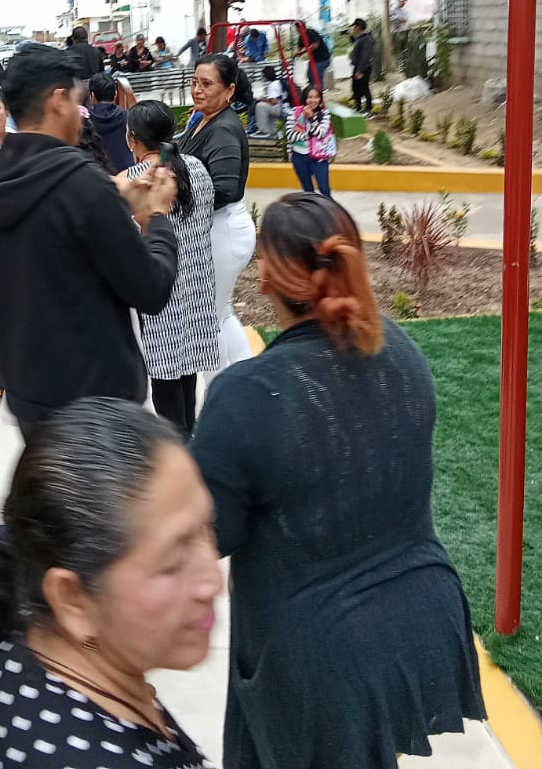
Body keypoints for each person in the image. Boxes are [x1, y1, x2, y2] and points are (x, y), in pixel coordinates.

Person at [190, 193, 486, 769]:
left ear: (266, 276)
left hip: (319, 656)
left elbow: (206, 534)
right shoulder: (401, 349)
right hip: (426, 612)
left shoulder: (246, 394)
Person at [0, 398, 222, 768]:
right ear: (72, 599)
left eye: (207, 528)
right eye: (173, 561)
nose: (213, 581)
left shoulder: (15, 645)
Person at [0, 45, 178, 438]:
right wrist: (156, 217)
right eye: (78, 100)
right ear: (58, 100)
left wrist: (113, 199)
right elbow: (151, 289)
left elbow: (50, 246)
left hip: (29, 395)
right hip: (98, 405)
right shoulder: (82, 184)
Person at [124, 102, 218, 436]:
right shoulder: (197, 168)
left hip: (162, 289)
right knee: (188, 370)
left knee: (166, 384)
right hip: (197, 285)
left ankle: (180, 450)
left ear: (132, 139)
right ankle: (190, 440)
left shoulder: (136, 180)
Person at [178, 53, 255, 368]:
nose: (197, 90)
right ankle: (242, 379)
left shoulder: (223, 129)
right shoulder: (202, 119)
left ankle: (221, 389)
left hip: (223, 230)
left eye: (206, 84)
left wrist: (177, 200)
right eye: (194, 82)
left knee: (208, 318)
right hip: (215, 228)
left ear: (229, 90)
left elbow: (224, 189)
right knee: (220, 313)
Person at [288, 84, 337, 196]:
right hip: (299, 156)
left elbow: (320, 134)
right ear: (304, 98)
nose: (313, 100)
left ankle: (328, 207)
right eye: (310, 97)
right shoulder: (295, 112)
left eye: (316, 97)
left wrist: (311, 118)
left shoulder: (324, 114)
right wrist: (308, 134)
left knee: (324, 190)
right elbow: (291, 135)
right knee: (308, 191)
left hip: (318, 157)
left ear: (320, 99)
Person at [87, 71, 134, 172]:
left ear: (92, 96)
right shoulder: (128, 117)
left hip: (100, 176)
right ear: (115, 94)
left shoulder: (85, 121)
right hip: (129, 174)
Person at [350, 17, 375, 115]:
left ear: (359, 27)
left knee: (364, 88)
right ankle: (358, 107)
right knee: (356, 88)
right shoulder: (360, 37)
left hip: (364, 68)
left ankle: (368, 110)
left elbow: (365, 56)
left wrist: (360, 71)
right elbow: (356, 45)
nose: (353, 29)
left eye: (354, 27)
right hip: (358, 67)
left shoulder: (366, 39)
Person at [295, 24, 332, 91]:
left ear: (300, 28)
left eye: (296, 29)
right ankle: (313, 92)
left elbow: (315, 45)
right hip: (314, 60)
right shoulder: (301, 37)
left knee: (317, 78)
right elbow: (299, 48)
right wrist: (296, 54)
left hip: (323, 59)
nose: (296, 30)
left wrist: (301, 52)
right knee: (309, 76)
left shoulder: (312, 33)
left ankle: (319, 93)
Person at [253, 64, 284, 138]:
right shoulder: (278, 82)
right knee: (266, 108)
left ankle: (264, 131)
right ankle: (272, 132)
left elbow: (274, 102)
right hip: (281, 105)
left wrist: (262, 99)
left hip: (278, 108)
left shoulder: (272, 85)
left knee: (260, 106)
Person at [390, 0, 409, 64]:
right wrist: (398, 20)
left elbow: (405, 20)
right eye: (402, 1)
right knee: (397, 51)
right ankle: (397, 64)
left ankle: (402, 63)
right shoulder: (393, 9)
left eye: (404, 1)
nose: (404, 3)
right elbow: (390, 19)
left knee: (403, 49)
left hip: (403, 31)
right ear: (398, 1)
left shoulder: (403, 10)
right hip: (396, 32)